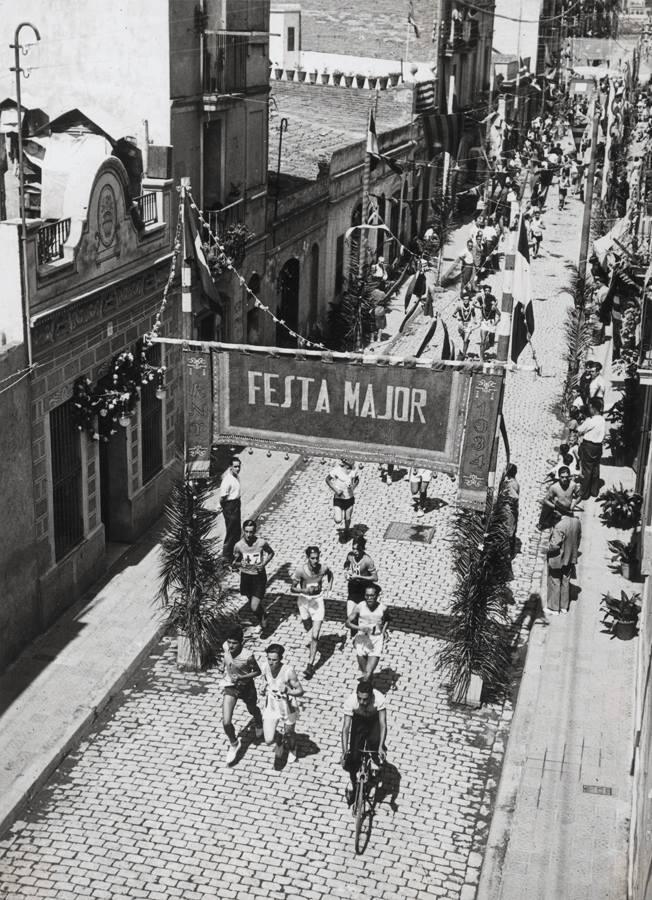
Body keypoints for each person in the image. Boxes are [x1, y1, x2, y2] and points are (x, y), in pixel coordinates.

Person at [340, 678, 388, 805]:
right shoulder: (351, 702)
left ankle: (374, 765)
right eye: (359, 698)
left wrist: (381, 746)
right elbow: (345, 729)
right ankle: (353, 784)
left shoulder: (379, 699)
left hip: (374, 722)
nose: (362, 702)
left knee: (374, 743)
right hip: (359, 722)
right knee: (353, 758)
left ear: (371, 696)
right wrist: (345, 751)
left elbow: (383, 724)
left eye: (365, 699)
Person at [221, 626, 264, 765]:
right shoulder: (225, 647)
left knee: (252, 709)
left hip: (246, 688)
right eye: (229, 642)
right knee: (226, 722)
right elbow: (226, 659)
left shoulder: (247, 656)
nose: (231, 646)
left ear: (241, 643)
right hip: (231, 687)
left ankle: (258, 721)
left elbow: (257, 672)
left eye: (234, 643)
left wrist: (243, 677)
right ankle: (234, 744)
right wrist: (223, 668)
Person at [291, 546, 334, 679]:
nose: (315, 561)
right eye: (312, 558)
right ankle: (311, 639)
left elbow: (330, 575)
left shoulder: (323, 568)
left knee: (315, 636)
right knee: (307, 627)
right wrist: (304, 591)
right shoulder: (300, 570)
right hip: (304, 602)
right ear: (308, 558)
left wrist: (329, 588)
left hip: (318, 602)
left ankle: (310, 666)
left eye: (317, 558)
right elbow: (292, 588)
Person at [260, 643, 304, 765]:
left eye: (274, 660)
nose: (270, 662)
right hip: (272, 706)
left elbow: (300, 691)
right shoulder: (264, 667)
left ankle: (292, 748)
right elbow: (265, 681)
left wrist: (289, 690)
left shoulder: (288, 671)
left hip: (287, 706)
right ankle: (279, 741)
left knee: (289, 733)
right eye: (269, 659)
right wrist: (262, 688)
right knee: (268, 740)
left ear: (280, 659)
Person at [232, 520, 275, 630]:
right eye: (246, 532)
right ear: (243, 531)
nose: (249, 535)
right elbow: (234, 563)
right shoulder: (239, 545)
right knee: (252, 603)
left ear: (255, 531)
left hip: (259, 576)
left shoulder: (261, 543)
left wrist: (264, 563)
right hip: (246, 577)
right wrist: (239, 563)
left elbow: (271, 553)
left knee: (254, 606)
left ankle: (263, 617)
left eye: (251, 532)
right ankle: (262, 616)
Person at [347, 583, 389, 677]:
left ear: (377, 596)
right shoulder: (359, 607)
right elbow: (348, 623)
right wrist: (360, 628)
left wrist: (383, 631)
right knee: (364, 673)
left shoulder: (383, 608)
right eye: (367, 595)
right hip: (362, 640)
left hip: (376, 640)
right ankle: (367, 687)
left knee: (368, 673)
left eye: (372, 596)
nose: (369, 598)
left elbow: (388, 619)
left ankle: (367, 685)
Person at [547, 510, 582, 613]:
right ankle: (564, 607)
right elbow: (579, 538)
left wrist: (547, 549)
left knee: (555, 580)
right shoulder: (577, 522)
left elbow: (554, 545)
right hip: (571, 557)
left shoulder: (559, 526)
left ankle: (553, 608)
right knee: (566, 580)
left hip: (558, 558)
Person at [343, 538, 378, 641]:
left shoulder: (367, 560)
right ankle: (354, 635)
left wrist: (359, 577)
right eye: (353, 548)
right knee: (350, 616)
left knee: (365, 616)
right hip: (353, 590)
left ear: (362, 549)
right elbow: (346, 564)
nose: (355, 551)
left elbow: (375, 578)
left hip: (364, 590)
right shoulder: (350, 556)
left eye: (357, 549)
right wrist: (346, 572)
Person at [577, 400, 606, 500]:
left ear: (594, 408)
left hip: (589, 446)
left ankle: (584, 493)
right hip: (598, 447)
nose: (589, 409)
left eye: (590, 408)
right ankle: (594, 491)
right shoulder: (602, 420)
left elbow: (580, 429)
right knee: (595, 468)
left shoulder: (590, 420)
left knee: (587, 470)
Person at [326, 458, 360, 542]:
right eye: (348, 465)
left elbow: (357, 480)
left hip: (349, 498)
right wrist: (336, 490)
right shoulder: (337, 471)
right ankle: (337, 517)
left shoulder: (353, 471)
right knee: (338, 520)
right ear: (344, 464)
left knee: (347, 518)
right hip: (339, 499)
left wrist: (353, 487)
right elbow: (327, 479)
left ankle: (347, 531)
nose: (350, 467)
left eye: (351, 466)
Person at [538, 465, 580, 530]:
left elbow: (579, 496)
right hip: (558, 513)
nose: (564, 479)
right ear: (559, 477)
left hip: (568, 511)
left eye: (566, 477)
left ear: (569, 476)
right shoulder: (554, 487)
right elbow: (546, 500)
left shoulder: (573, 485)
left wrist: (574, 504)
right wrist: (554, 507)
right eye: (562, 477)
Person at [219, 456, 242, 563]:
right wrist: (224, 508)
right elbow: (222, 497)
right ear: (230, 467)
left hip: (236, 504)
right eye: (235, 467)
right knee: (231, 531)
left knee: (237, 530)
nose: (237, 469)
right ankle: (226, 557)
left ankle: (235, 554)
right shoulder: (227, 480)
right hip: (230, 506)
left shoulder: (235, 477)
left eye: (239, 466)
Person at [477, 288, 501, 362]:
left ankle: (483, 351)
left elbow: (500, 315)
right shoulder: (483, 307)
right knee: (483, 341)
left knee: (491, 343)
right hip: (484, 323)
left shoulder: (494, 308)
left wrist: (495, 323)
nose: (492, 304)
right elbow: (475, 302)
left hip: (491, 323)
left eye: (492, 303)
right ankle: (481, 356)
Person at [453, 290, 477, 360]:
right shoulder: (459, 307)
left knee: (465, 340)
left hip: (468, 324)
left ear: (469, 300)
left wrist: (475, 321)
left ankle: (464, 354)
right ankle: (465, 346)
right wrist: (457, 317)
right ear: (462, 300)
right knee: (464, 338)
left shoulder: (471, 307)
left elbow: (474, 315)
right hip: (461, 324)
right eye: (464, 299)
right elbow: (453, 314)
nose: (466, 301)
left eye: (467, 299)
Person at [502, 464, 520, 558]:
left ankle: (508, 553)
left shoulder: (511, 484)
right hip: (511, 510)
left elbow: (515, 497)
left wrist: (505, 499)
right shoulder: (512, 482)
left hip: (509, 510)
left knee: (509, 531)